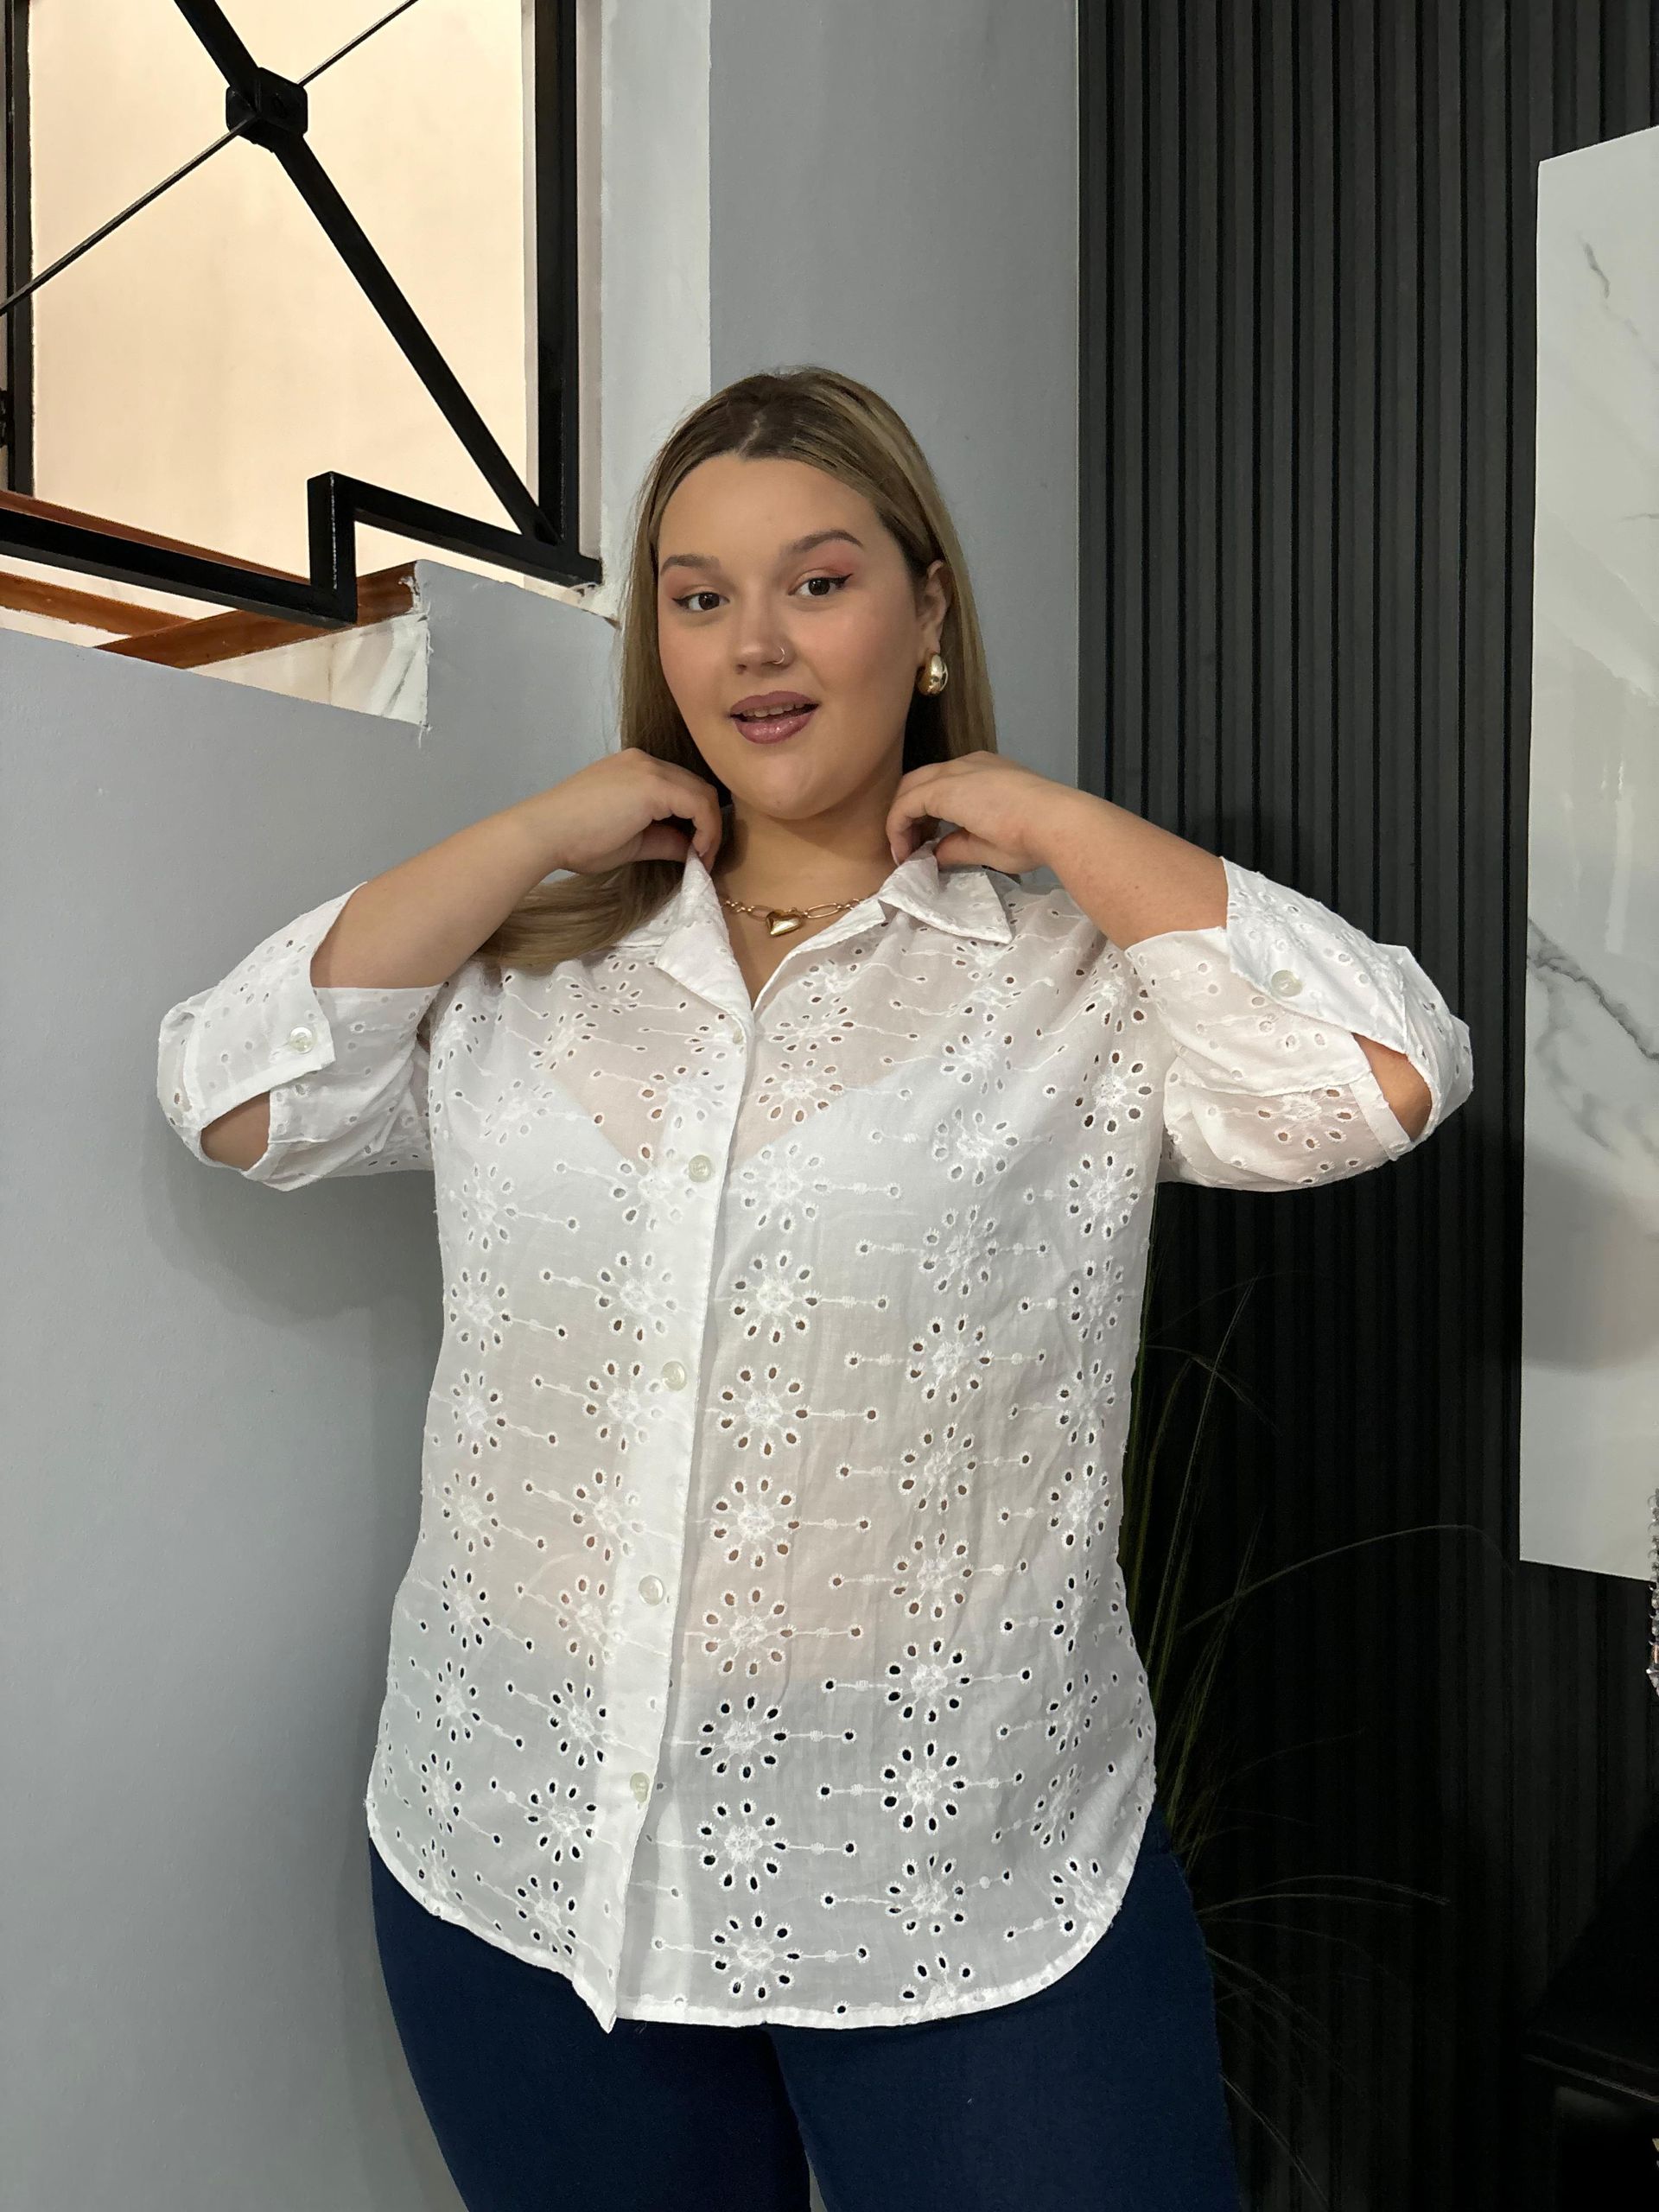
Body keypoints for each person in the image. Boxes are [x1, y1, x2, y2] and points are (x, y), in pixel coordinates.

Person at [157, 365, 1472, 2211]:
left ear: (928, 613)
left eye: (820, 582)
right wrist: (535, 834)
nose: (756, 644)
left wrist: (1054, 820)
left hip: (958, 1877)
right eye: (699, 596)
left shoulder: (1073, 981)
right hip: (523, 1856)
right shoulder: (533, 976)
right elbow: (235, 1093)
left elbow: (1382, 1075)